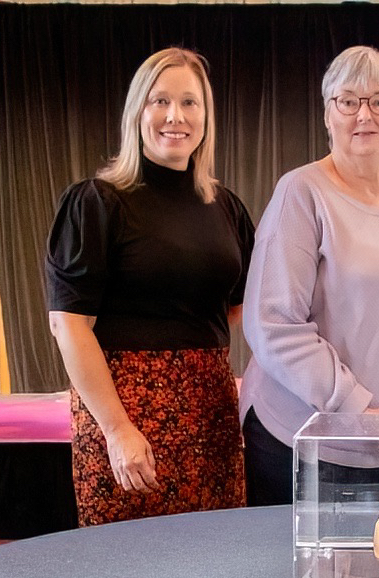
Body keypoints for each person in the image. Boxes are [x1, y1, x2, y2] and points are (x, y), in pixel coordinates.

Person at [45, 47, 254, 527]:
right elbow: (69, 326)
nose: (175, 116)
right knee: (129, 568)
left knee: (214, 561)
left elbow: (245, 306)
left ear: (206, 115)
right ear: (137, 110)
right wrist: (118, 430)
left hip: (210, 412)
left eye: (189, 102)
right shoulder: (97, 202)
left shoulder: (225, 207)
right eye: (159, 101)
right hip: (125, 412)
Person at [240, 46, 379, 505]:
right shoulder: (302, 191)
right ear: (328, 115)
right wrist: (359, 409)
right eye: (347, 101)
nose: (363, 114)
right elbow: (272, 324)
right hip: (308, 444)